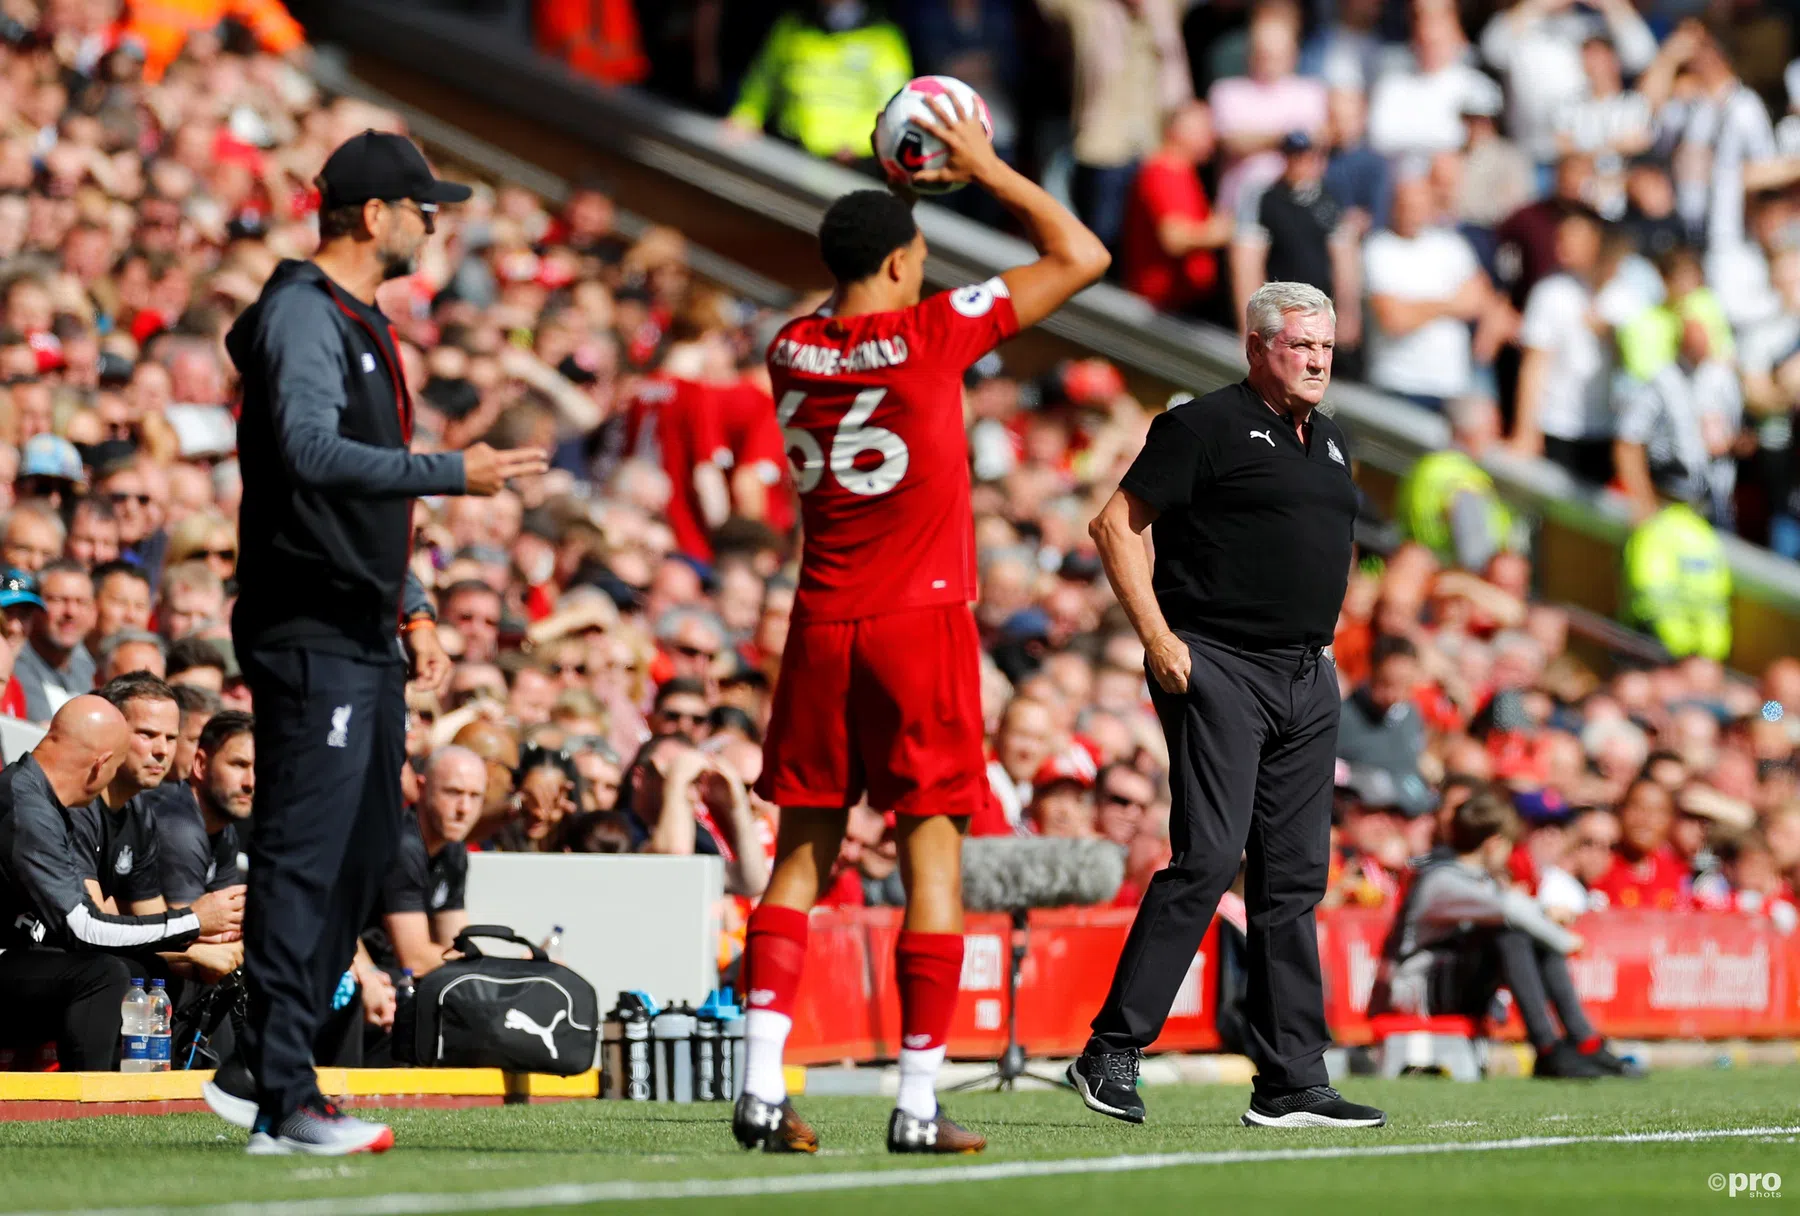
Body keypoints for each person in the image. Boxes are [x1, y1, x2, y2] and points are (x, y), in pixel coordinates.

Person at [736, 94, 1108, 1155]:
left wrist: (882, 213)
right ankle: (914, 1101)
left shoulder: (790, 348)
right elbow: (1079, 252)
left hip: (820, 626)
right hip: (920, 624)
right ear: (903, 263)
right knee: (930, 857)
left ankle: (761, 1089)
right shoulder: (933, 332)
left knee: (799, 857)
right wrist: (982, 166)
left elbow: (841, 290)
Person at [209, 130, 546, 1156]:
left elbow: (355, 499)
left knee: (364, 851)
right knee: (307, 856)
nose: (431, 224)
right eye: (420, 207)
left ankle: (260, 1067)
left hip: (360, 622)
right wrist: (455, 472)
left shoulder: (353, 317)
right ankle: (283, 1096)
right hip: (309, 624)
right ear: (370, 215)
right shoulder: (306, 315)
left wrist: (411, 602)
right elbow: (310, 457)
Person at [1068, 281, 1384, 1130]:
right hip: (1221, 664)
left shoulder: (1332, 441)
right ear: (1256, 345)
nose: (1317, 360)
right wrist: (1162, 641)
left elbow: (1329, 545)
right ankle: (1112, 1048)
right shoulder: (1201, 425)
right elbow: (1114, 525)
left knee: (1294, 879)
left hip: (1306, 675)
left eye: (1325, 347)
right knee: (1209, 855)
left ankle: (1291, 1080)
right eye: (1300, 345)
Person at [0, 697, 229, 1068]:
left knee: (143, 973)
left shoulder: (48, 803)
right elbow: (83, 927)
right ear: (102, 764)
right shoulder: (26, 809)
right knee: (103, 973)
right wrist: (193, 921)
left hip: (23, 961)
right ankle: (90, 1108)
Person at [1369, 787, 1636, 1079]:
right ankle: (1547, 1048)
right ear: (1494, 844)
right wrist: (1563, 940)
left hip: (1449, 984)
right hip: (1419, 994)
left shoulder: (1478, 879)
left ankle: (1584, 1041)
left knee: (1521, 933)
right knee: (1511, 935)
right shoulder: (1442, 880)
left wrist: (1544, 914)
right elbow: (1508, 908)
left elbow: (1510, 905)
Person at [363, 747, 482, 978]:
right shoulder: (402, 845)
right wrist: (497, 967)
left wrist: (508, 968)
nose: (464, 809)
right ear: (421, 788)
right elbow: (414, 958)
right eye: (452, 793)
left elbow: (457, 942)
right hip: (362, 976)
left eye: (474, 796)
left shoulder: (453, 849)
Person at [1120, 102, 1232, 315]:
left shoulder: (1184, 172)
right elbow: (1175, 238)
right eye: (1205, 129)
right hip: (1163, 306)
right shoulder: (1164, 171)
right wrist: (1226, 231)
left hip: (1181, 302)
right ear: (1179, 131)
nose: (1213, 137)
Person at [1393, 396, 1516, 571]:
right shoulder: (1466, 481)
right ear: (1472, 430)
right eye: (1493, 425)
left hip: (1413, 570)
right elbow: (1475, 555)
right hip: (1450, 580)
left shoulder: (1426, 466)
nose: (1497, 433)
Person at [152, 709, 253, 909]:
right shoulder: (179, 827)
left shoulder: (224, 830)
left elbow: (227, 920)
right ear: (200, 764)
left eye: (258, 769)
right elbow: (185, 934)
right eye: (239, 765)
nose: (250, 782)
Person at [13, 561, 97, 723]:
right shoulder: (13, 663)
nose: (70, 612)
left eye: (81, 602)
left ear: (94, 611)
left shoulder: (88, 669)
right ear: (34, 607)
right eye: (58, 600)